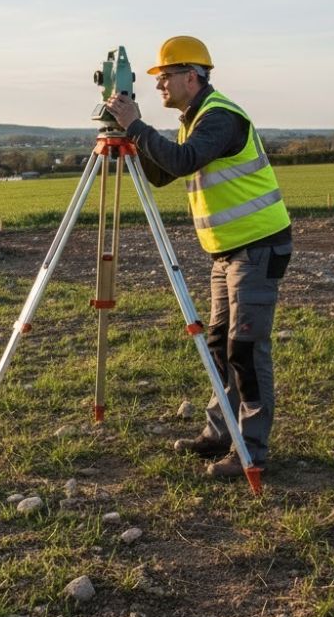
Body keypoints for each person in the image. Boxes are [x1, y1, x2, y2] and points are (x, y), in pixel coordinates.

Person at [105, 35, 292, 478]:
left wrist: (137, 126)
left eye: (165, 76)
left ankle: (251, 451)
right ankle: (220, 433)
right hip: (226, 253)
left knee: (245, 349)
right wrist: (130, 135)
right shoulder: (194, 119)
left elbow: (184, 160)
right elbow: (162, 173)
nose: (158, 85)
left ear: (191, 76)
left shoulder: (220, 117)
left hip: (257, 247)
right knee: (219, 347)